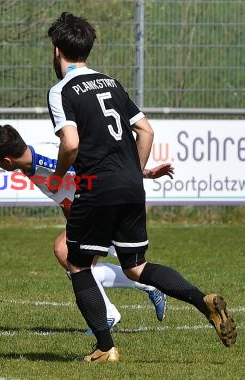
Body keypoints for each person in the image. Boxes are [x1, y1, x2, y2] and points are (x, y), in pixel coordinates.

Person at [46, 12, 236, 362]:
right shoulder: (111, 83)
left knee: (77, 264)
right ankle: (202, 299)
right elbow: (146, 130)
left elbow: (71, 144)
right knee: (135, 266)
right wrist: (139, 170)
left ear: (57, 51)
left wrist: (58, 175)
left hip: (97, 187)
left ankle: (105, 348)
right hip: (132, 185)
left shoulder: (61, 91)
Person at [0, 124, 170, 335]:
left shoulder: (49, 161)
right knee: (79, 262)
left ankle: (111, 312)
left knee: (69, 255)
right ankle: (147, 287)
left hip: (110, 205)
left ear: (6, 160)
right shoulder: (30, 165)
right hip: (93, 210)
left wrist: (142, 173)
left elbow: (101, 167)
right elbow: (66, 200)